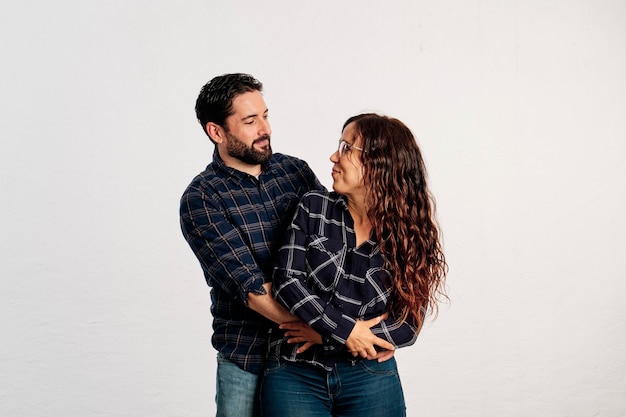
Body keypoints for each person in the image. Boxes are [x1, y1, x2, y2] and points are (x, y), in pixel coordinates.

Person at [260, 113, 449, 417]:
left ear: (380, 164)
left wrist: (326, 334)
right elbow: (287, 283)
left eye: (348, 148)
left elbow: (408, 325)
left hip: (369, 374)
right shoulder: (313, 206)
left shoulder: (411, 231)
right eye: (340, 145)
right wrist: (349, 332)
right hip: (295, 370)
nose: (334, 155)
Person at [179, 73, 325, 417]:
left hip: (309, 355)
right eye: (250, 120)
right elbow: (251, 289)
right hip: (249, 357)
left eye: (265, 115)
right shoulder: (202, 198)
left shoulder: (296, 172)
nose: (266, 129)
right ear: (216, 131)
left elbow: (334, 243)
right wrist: (333, 330)